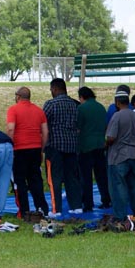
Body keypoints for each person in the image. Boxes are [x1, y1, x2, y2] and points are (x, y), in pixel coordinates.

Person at [7, 86, 49, 219]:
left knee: (20, 181)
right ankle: (42, 208)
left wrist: (10, 146)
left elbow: (10, 129)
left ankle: (24, 211)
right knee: (35, 179)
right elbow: (45, 132)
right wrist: (41, 149)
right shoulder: (38, 111)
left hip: (19, 149)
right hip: (35, 148)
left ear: (18, 96)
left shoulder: (13, 109)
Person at [106, 85, 135, 220]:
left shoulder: (116, 116)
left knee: (119, 187)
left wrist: (106, 144)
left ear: (117, 102)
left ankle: (120, 216)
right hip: (134, 155)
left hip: (118, 156)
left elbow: (111, 137)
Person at [43, 78, 82, 216]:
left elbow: (43, 124)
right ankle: (76, 206)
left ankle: (56, 209)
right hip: (72, 146)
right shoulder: (75, 104)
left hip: (55, 146)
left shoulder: (50, 104)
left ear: (54, 89)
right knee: (72, 177)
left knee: (54, 179)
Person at [77, 86, 111, 211]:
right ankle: (106, 200)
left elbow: (78, 128)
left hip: (86, 146)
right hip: (100, 145)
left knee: (86, 176)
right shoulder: (101, 107)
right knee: (101, 175)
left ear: (81, 97)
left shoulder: (81, 108)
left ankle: (88, 203)